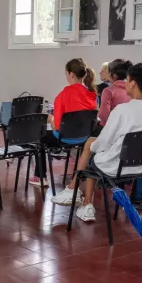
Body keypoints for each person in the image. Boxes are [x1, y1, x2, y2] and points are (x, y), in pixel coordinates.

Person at [52, 63, 142, 222]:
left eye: (127, 80)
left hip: (118, 164)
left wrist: (93, 146)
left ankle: (86, 204)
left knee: (92, 153)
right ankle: (73, 191)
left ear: (133, 83)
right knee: (92, 145)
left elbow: (103, 143)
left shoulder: (122, 111)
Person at [29, 59, 97, 187]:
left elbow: (56, 126)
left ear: (71, 74)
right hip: (85, 138)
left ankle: (40, 176)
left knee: (40, 136)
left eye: (66, 74)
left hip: (64, 138)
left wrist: (50, 119)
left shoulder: (63, 95)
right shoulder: (92, 94)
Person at [97, 59, 133, 130]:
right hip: (127, 128)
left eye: (108, 72)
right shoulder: (132, 90)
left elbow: (104, 116)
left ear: (114, 75)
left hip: (111, 129)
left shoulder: (108, 91)